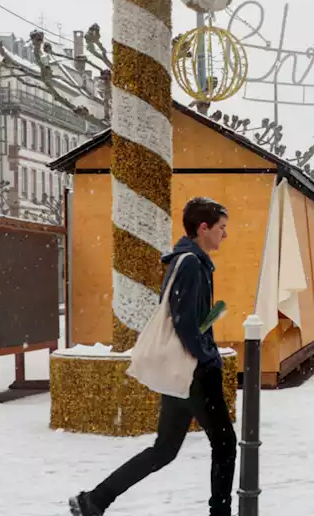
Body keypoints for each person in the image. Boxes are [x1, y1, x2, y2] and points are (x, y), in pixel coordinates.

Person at [70, 197, 236, 516]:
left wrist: (209, 321)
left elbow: (185, 316)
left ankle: (95, 500)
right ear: (204, 228)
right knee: (225, 444)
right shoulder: (189, 263)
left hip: (181, 371)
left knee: (164, 450)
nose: (224, 235)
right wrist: (206, 355)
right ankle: (220, 513)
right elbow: (184, 320)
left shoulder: (188, 260)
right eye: (221, 228)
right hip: (195, 373)